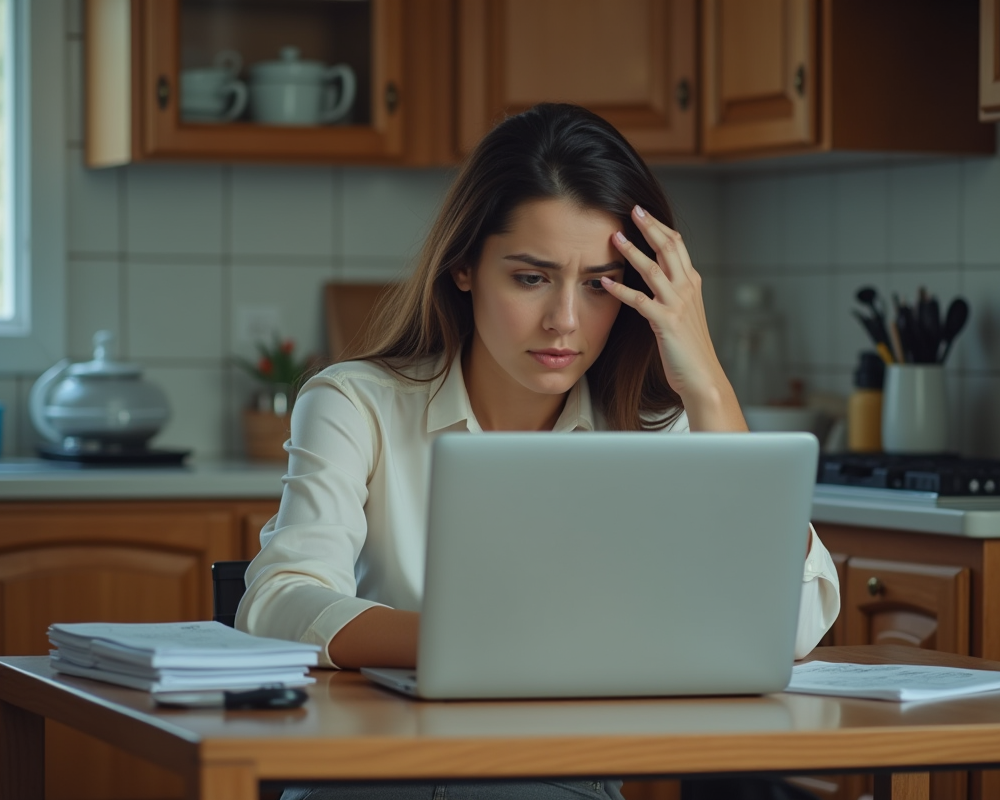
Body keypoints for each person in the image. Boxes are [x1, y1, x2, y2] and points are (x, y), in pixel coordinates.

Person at [238, 103, 840, 800]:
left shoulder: (655, 431)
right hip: (372, 780)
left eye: (598, 285)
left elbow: (788, 625)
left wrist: (707, 383)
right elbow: (278, 603)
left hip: (564, 785)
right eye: (531, 278)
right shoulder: (354, 403)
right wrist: (477, 645)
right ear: (464, 266)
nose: (564, 321)